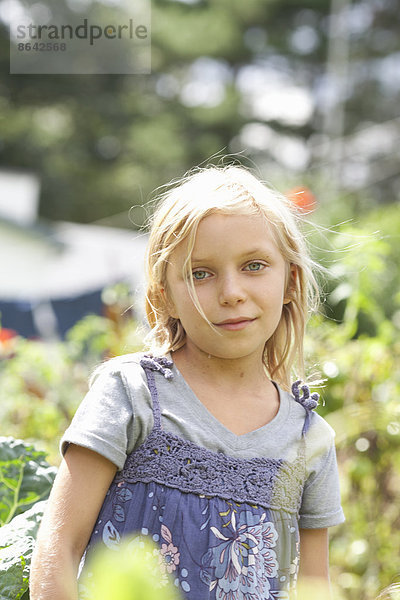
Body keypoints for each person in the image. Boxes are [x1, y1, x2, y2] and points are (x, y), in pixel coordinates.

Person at [30, 165, 345, 600]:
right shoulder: (133, 394)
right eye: (201, 273)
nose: (231, 291)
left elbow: (313, 589)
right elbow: (58, 548)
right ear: (164, 295)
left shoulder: (310, 440)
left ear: (290, 282)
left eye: (254, 266)